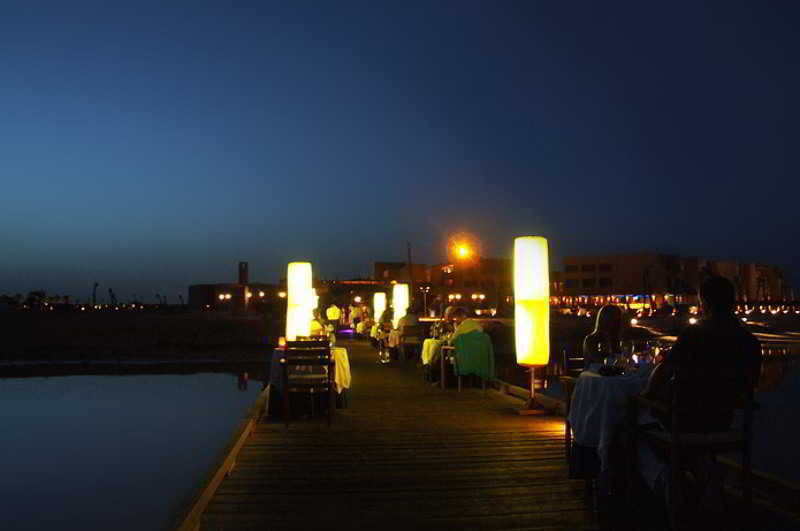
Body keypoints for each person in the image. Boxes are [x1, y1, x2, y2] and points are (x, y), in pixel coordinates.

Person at [642, 275, 761, 431]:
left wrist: (646, 395)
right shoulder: (749, 341)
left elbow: (665, 369)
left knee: (636, 423)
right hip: (722, 423)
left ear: (704, 302)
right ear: (732, 301)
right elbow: (749, 384)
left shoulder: (694, 335)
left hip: (685, 422)